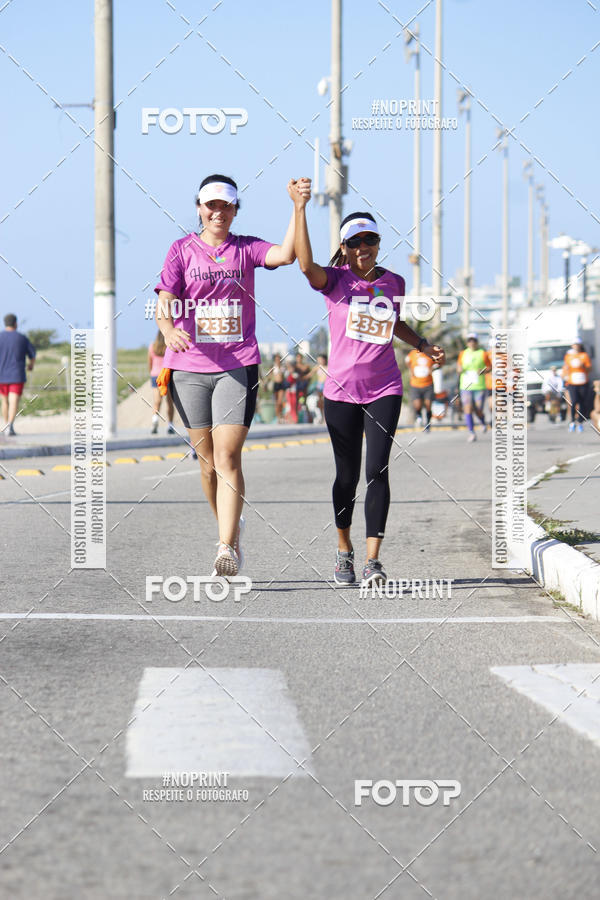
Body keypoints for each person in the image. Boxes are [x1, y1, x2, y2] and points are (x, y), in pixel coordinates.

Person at [290, 181, 445, 586]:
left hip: (385, 389)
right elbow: (305, 265)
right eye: (355, 241)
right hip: (339, 392)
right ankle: (344, 552)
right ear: (343, 248)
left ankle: (373, 561)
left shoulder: (394, 283)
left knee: (377, 470)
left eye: (370, 240)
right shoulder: (335, 281)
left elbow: (395, 324)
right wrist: (300, 208)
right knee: (347, 475)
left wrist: (423, 344)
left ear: (378, 244)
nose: (363, 247)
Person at [154, 173, 298, 576]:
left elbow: (285, 255)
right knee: (206, 464)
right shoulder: (181, 250)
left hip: (237, 365)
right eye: (211, 204)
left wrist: (298, 207)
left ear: (236, 210)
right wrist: (168, 330)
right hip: (189, 368)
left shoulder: (246, 248)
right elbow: (165, 299)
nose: (218, 212)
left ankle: (225, 546)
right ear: (199, 208)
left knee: (227, 456)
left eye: (226, 205)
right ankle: (231, 530)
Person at [0, 313, 36, 436]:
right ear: (16, 323)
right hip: (17, 374)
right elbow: (32, 355)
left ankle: (6, 426)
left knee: (4, 401)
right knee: (13, 399)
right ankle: (10, 426)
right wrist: (31, 366)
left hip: (1, 375)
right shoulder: (22, 338)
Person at [457, 333, 491, 442]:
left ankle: (482, 420)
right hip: (465, 386)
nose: (472, 342)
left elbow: (490, 367)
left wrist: (482, 371)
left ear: (477, 342)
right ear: (467, 342)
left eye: (474, 340)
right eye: (469, 340)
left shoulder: (483, 353)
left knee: (478, 408)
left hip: (479, 386)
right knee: (468, 408)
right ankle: (471, 432)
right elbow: (458, 366)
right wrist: (459, 369)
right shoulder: (463, 353)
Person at [148, 330, 175, 434]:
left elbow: (149, 362)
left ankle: (155, 419)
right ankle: (170, 425)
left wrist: (151, 372)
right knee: (169, 402)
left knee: (157, 401)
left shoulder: (152, 346)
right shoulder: (169, 346)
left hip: (155, 375)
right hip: (166, 374)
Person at [562, 339, 591, 432]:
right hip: (572, 383)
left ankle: (580, 422)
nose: (576, 346)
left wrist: (583, 366)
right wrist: (565, 372)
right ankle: (572, 421)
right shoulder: (568, 356)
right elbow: (565, 369)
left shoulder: (584, 356)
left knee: (582, 402)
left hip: (583, 382)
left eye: (577, 345)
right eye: (574, 344)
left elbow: (589, 368)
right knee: (574, 402)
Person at [405, 345, 436, 430]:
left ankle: (428, 422)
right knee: (417, 404)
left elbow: (437, 363)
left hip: (428, 384)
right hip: (415, 384)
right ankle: (419, 416)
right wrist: (410, 370)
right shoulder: (412, 354)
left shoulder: (430, 354)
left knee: (428, 404)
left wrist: (433, 368)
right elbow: (407, 361)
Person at [308, 353, 328, 423]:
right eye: (319, 360)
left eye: (321, 359)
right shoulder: (317, 367)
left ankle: (326, 417)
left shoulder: (328, 367)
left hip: (326, 386)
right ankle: (322, 417)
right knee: (320, 402)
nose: (320, 361)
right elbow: (310, 375)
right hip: (319, 386)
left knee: (326, 402)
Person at [271, 352, 286, 423]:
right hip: (275, 384)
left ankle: (281, 415)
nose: (277, 360)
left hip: (281, 384)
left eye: (279, 359)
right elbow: (270, 375)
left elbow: (283, 375)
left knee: (280, 402)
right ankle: (278, 417)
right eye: (276, 359)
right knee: (276, 402)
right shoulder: (273, 367)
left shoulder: (283, 367)